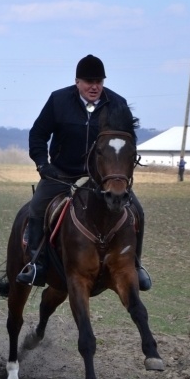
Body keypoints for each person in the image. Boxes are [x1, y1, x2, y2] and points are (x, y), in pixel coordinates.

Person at [16, 54, 151, 290]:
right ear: (77, 81)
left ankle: (136, 266)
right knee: (37, 206)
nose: (94, 86)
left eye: (99, 81)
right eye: (89, 81)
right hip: (62, 174)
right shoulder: (58, 100)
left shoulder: (117, 104)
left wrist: (122, 173)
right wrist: (42, 165)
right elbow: (37, 135)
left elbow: (129, 143)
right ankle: (37, 264)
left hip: (103, 179)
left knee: (137, 210)